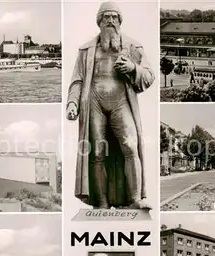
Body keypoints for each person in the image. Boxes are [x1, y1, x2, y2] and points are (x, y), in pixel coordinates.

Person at [66, 1, 154, 209]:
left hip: (121, 101)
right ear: (99, 21)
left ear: (120, 21)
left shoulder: (133, 47)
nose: (111, 21)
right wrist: (72, 102)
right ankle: (101, 202)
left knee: (131, 147)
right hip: (94, 102)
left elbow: (149, 76)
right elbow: (77, 79)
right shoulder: (86, 50)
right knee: (96, 153)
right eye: (106, 17)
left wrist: (133, 68)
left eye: (115, 17)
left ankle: (135, 199)